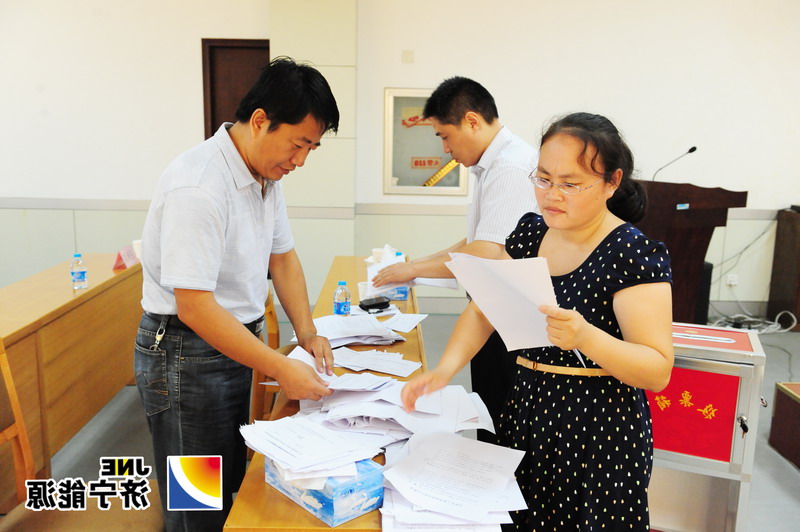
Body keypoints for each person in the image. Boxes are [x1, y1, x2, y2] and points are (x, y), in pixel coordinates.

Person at [401, 112, 674, 530]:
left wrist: (585, 336)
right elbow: (484, 310)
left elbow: (656, 370)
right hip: (527, 410)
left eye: (570, 184)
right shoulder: (531, 234)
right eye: (543, 179)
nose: (552, 195)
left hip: (597, 430)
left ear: (611, 182)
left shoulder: (632, 254)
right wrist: (444, 370)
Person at [134, 57, 337, 532]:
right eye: (298, 144)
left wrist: (307, 332)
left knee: (228, 480)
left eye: (311, 148)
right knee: (197, 501)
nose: (301, 160)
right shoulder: (199, 185)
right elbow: (195, 306)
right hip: (185, 353)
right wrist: (281, 367)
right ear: (261, 120)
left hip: (232, 344)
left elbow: (282, 258)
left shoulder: (265, 173)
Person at [372, 76, 537, 442]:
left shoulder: (510, 168)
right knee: (490, 415)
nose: (445, 149)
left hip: (508, 320)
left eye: (445, 136)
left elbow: (487, 252)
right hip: (493, 311)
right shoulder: (494, 165)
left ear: (472, 121)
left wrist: (413, 269)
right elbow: (477, 240)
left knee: (502, 426)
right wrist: (414, 268)